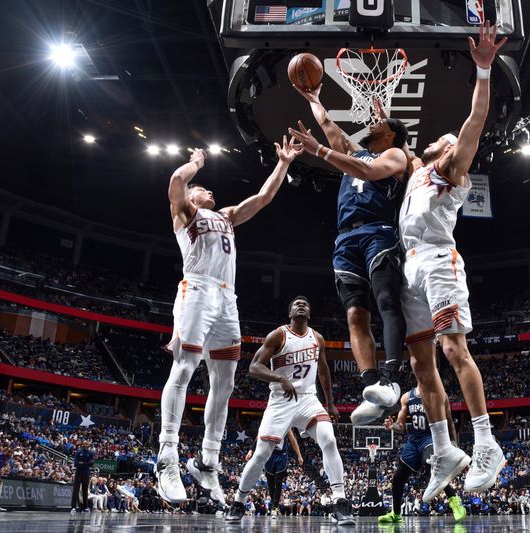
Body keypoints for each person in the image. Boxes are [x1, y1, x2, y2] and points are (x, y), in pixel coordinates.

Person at [389, 22, 507, 501]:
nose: (439, 139)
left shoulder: (451, 168)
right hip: (409, 268)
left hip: (439, 260)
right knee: (421, 366)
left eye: (444, 138)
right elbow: (395, 138)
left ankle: (485, 443)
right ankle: (443, 450)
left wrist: (483, 71)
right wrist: (378, 111)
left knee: (455, 351)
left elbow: (474, 122)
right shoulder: (417, 170)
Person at [156, 137, 303, 505]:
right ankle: (167, 455)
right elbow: (176, 181)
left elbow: (264, 198)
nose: (209, 191)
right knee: (186, 366)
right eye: (202, 190)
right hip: (198, 289)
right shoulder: (186, 214)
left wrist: (283, 163)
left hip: (226, 296)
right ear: (192, 198)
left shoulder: (225, 217)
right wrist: (196, 163)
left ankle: (208, 461)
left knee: (225, 381)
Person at [290, 80, 410, 426]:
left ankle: (390, 376)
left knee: (386, 300)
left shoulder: (395, 155)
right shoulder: (356, 151)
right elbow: (328, 126)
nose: (371, 125)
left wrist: (320, 152)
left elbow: (369, 172)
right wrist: (314, 99)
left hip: (377, 231)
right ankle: (371, 387)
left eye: (380, 124)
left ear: (391, 135)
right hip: (345, 239)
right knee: (355, 315)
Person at [226, 296, 355, 525]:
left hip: (307, 398)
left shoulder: (318, 338)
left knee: (329, 440)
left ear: (310, 313)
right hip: (281, 400)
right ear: (290, 313)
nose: (301, 305)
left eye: (305, 303)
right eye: (296, 303)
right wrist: (278, 377)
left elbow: (324, 371)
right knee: (262, 453)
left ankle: (340, 502)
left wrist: (330, 402)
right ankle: (238, 501)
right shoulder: (278, 335)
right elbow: (254, 367)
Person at [377, 385, 466, 524]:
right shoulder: (407, 397)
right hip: (414, 440)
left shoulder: (439, 394)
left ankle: (455, 501)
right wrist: (392, 426)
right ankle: (395, 513)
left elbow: (449, 420)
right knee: (398, 478)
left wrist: (453, 442)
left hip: (431, 437)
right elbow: (400, 425)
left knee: (431, 466)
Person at [244, 430, 304, 519]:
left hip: (281, 455)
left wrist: (299, 455)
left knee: (278, 481)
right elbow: (259, 436)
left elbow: (292, 440)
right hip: (269, 454)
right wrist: (251, 450)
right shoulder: (268, 422)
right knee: (270, 482)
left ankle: (274, 508)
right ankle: (274, 505)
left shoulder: (286, 424)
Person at [71, 440, 95, 512]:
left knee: (85, 490)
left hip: (86, 473)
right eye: (84, 443)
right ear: (82, 444)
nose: (85, 445)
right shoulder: (79, 452)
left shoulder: (90, 453)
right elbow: (76, 463)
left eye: (86, 443)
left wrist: (83, 463)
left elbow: (92, 464)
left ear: (88, 445)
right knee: (76, 490)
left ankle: (85, 507)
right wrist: (86, 463)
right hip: (79, 472)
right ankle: (73, 507)